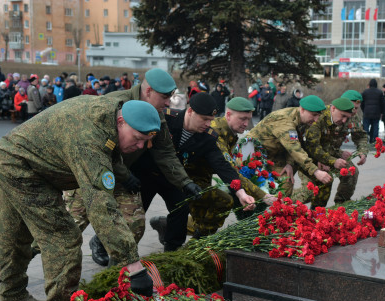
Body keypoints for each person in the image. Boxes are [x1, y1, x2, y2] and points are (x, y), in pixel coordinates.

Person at [0, 97, 160, 301]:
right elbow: (99, 204)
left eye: (145, 141)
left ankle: (12, 297)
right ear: (121, 121)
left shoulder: (109, 114)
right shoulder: (89, 136)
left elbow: (109, 152)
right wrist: (134, 266)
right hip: (22, 167)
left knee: (13, 231)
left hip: (13, 155)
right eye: (138, 139)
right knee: (63, 237)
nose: (140, 146)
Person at [65, 69, 196, 266]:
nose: (169, 103)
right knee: (69, 228)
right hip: (89, 171)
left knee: (134, 223)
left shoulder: (156, 116)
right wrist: (124, 174)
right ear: (149, 91)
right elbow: (94, 150)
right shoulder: (113, 105)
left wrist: (185, 183)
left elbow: (165, 153)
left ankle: (117, 272)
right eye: (165, 97)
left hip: (122, 176)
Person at [132, 93, 257, 251]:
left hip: (173, 179)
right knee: (133, 214)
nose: (208, 124)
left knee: (181, 209)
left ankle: (172, 250)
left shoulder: (208, 137)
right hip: (146, 174)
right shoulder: (167, 119)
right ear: (190, 111)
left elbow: (222, 165)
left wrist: (240, 192)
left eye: (211, 120)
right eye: (204, 119)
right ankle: (102, 245)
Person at [150, 97, 276, 241]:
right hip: (178, 177)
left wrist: (241, 191)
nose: (246, 124)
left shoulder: (220, 133)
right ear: (228, 115)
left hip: (194, 180)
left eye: (248, 119)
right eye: (242, 119)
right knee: (219, 203)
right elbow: (224, 166)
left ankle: (178, 234)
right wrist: (262, 195)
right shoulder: (209, 130)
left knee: (198, 214)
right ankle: (193, 240)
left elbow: (223, 165)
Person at [291, 94, 368, 208]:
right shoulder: (319, 117)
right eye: (343, 115)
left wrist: (362, 151)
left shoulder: (349, 116)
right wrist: (327, 161)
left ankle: (336, 205)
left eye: (356, 108)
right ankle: (282, 200)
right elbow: (311, 146)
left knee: (349, 172)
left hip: (329, 154)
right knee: (312, 190)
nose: (345, 120)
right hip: (309, 156)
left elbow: (360, 135)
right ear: (333, 108)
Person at [247, 95, 332, 196]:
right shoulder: (285, 120)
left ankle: (279, 210)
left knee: (286, 183)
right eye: (314, 115)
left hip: (274, 155)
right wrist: (315, 171)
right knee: (254, 190)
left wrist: (289, 163)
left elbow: (296, 142)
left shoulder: (302, 120)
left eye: (318, 115)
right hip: (252, 155)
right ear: (303, 109)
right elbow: (294, 147)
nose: (316, 120)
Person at [361, 78, 384, 143]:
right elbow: (382, 103)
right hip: (376, 112)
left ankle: (365, 139)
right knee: (375, 126)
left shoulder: (365, 92)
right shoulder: (379, 92)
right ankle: (374, 139)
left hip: (367, 112)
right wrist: (381, 112)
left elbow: (362, 103)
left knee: (366, 126)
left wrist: (364, 110)